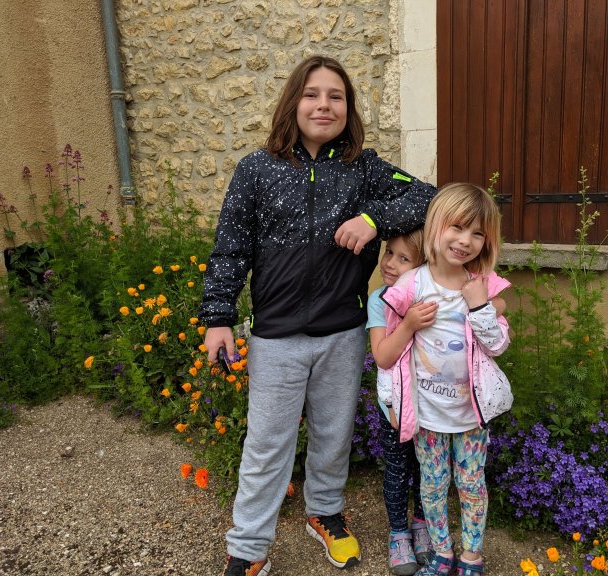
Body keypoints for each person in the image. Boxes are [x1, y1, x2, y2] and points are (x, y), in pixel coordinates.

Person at [198, 55, 437, 576]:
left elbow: (431, 199)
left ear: (348, 109)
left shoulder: (364, 168)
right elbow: (230, 248)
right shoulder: (256, 170)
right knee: (267, 445)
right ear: (293, 102)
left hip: (342, 333)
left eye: (336, 96)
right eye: (312, 94)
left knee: (332, 435)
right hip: (276, 337)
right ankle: (249, 545)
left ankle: (325, 512)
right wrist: (217, 316)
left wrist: (373, 218)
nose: (323, 105)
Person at [379, 182, 513, 576]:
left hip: (470, 415)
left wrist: (481, 305)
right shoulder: (411, 285)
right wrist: (393, 402)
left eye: (477, 233)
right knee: (433, 486)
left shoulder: (482, 283)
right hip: (428, 415)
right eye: (457, 227)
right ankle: (441, 554)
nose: (465, 241)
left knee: (472, 486)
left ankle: (472, 557)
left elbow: (497, 345)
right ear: (435, 225)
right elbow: (390, 355)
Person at [367, 229, 435, 575]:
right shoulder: (379, 299)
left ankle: (422, 524)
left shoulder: (434, 296)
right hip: (394, 405)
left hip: (433, 405)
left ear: (423, 266)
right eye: (389, 252)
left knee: (427, 467)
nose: (390, 263)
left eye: (403, 258)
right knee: (397, 469)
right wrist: (408, 324)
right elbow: (382, 356)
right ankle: (398, 534)